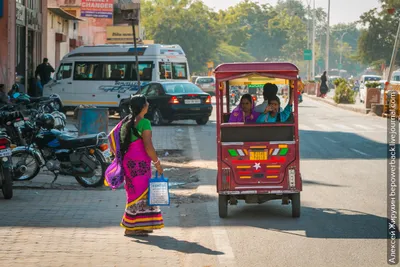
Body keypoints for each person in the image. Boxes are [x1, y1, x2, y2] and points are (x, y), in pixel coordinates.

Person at [119, 94, 164, 236]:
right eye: (146, 102)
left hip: (129, 163)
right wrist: (157, 163)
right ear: (143, 106)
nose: (148, 104)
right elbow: (148, 146)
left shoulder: (127, 121)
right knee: (141, 193)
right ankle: (133, 227)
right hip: (140, 164)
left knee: (134, 193)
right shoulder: (145, 123)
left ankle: (138, 225)